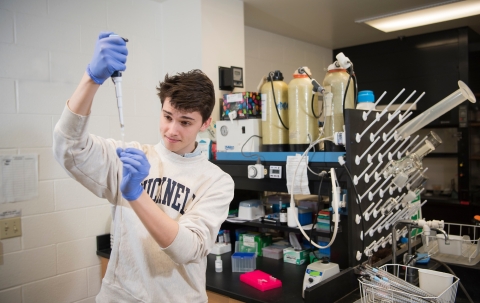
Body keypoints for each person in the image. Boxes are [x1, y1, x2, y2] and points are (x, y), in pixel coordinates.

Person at [53, 32, 234, 303]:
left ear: (205, 124)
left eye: (185, 122)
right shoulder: (132, 157)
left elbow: (188, 249)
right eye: (167, 116)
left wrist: (136, 194)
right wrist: (91, 78)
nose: (172, 130)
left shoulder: (216, 181)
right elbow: (69, 149)